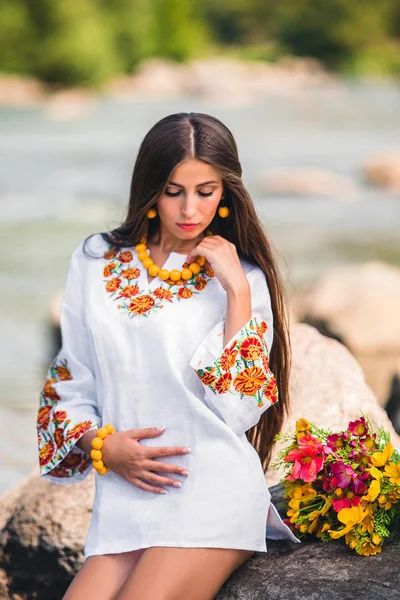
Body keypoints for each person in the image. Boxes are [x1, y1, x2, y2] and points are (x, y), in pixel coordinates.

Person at [36, 112, 299, 600]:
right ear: (150, 188)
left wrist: (237, 292)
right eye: (174, 189)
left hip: (210, 493)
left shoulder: (242, 279)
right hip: (124, 501)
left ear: (227, 192)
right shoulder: (95, 260)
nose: (190, 208)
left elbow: (239, 409)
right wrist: (102, 447)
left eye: (207, 190)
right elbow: (69, 379)